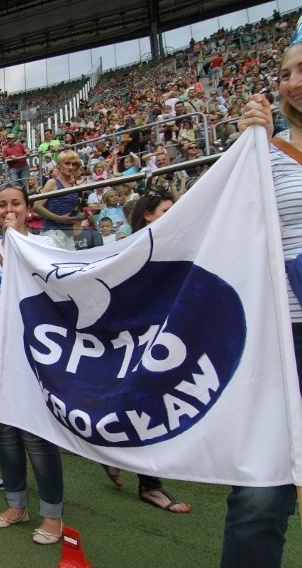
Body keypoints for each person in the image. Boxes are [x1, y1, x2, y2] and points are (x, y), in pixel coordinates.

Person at [220, 32, 302, 568]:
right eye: (287, 73)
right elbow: (230, 230)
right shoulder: (266, 151)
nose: (294, 83)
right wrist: (246, 152)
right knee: (259, 495)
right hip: (282, 338)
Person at [0, 184, 65, 545]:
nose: (9, 210)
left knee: (36, 435)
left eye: (15, 204)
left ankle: (52, 514)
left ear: (27, 208)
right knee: (3, 433)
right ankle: (16, 505)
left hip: (36, 357)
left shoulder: (46, 247)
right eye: (2, 205)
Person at [100, 188, 190, 515]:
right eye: (166, 211)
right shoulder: (133, 248)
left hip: (169, 337)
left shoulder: (180, 244)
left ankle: (110, 456)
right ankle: (150, 485)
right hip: (134, 341)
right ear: (148, 214)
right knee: (143, 404)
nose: (173, 215)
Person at [33, 150, 88, 250]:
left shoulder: (73, 186)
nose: (71, 167)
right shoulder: (52, 182)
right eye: (67, 163)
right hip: (51, 232)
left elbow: (72, 213)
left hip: (68, 235)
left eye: (74, 164)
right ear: (59, 165)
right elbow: (37, 207)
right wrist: (59, 218)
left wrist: (85, 216)